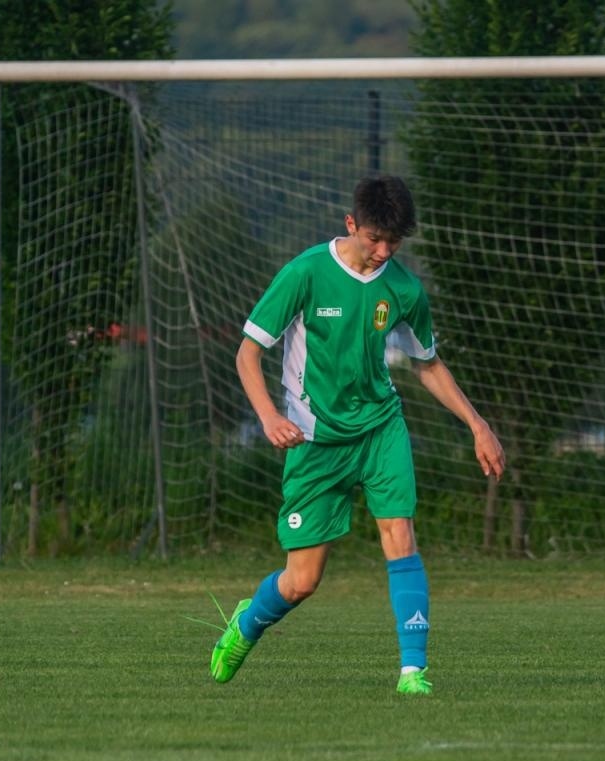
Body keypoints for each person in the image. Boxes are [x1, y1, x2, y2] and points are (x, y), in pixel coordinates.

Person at [209, 175, 505, 695]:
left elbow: (427, 365)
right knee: (302, 581)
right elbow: (248, 353)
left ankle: (413, 671)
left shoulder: (405, 289)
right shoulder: (305, 273)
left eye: (394, 242)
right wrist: (268, 417)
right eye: (374, 239)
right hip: (313, 440)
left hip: (379, 427)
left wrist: (477, 424)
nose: (383, 251)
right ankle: (247, 624)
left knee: (399, 534)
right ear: (351, 224)